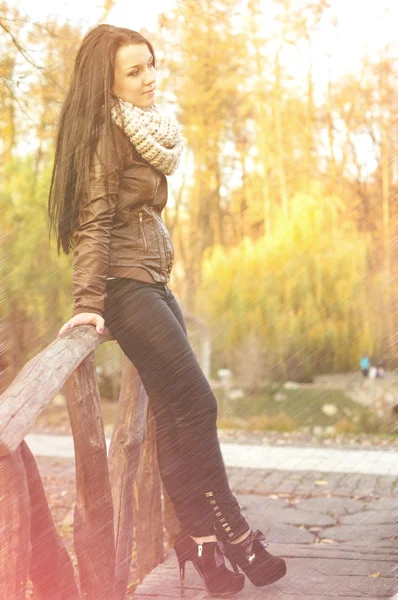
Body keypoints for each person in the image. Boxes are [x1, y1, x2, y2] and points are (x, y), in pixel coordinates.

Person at [49, 24, 286, 596]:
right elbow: (94, 224)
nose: (149, 78)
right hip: (126, 289)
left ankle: (202, 548)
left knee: (176, 417)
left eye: (151, 65)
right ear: (105, 83)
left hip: (152, 282)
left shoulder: (139, 128)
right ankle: (235, 536)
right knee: (197, 403)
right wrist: (86, 304)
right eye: (134, 71)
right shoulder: (106, 134)